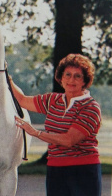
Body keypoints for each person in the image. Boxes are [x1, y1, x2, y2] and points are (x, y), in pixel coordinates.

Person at [10, 54, 102, 196]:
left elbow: (69, 140)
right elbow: (22, 100)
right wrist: (6, 77)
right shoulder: (53, 100)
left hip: (83, 171)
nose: (71, 80)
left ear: (85, 81)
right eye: (68, 75)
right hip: (55, 169)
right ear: (61, 78)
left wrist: (36, 133)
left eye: (77, 76)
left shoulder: (90, 107)